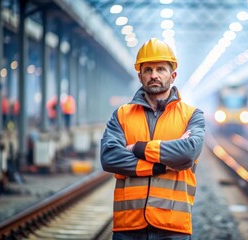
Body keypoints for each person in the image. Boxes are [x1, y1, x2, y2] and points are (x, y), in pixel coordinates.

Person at [100, 38, 205, 240]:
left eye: (160, 69)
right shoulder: (122, 114)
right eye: (147, 70)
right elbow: (110, 158)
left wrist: (138, 148)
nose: (153, 75)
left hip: (173, 226)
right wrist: (161, 166)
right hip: (129, 225)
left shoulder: (192, 115)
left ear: (173, 75)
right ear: (140, 76)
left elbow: (187, 153)